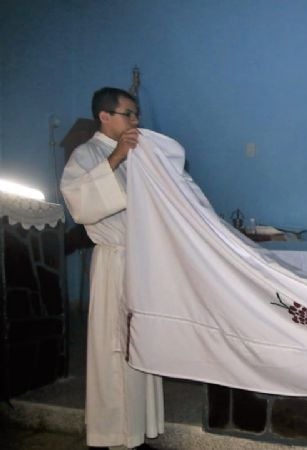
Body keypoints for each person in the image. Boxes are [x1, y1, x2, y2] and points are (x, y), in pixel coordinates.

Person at [61, 87, 164, 449]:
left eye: (137, 115)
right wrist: (117, 157)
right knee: (114, 350)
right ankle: (115, 437)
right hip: (114, 262)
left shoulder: (139, 154)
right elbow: (80, 204)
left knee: (142, 346)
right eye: (128, 114)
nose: (135, 121)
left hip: (139, 262)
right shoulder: (85, 154)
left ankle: (138, 432)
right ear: (105, 116)